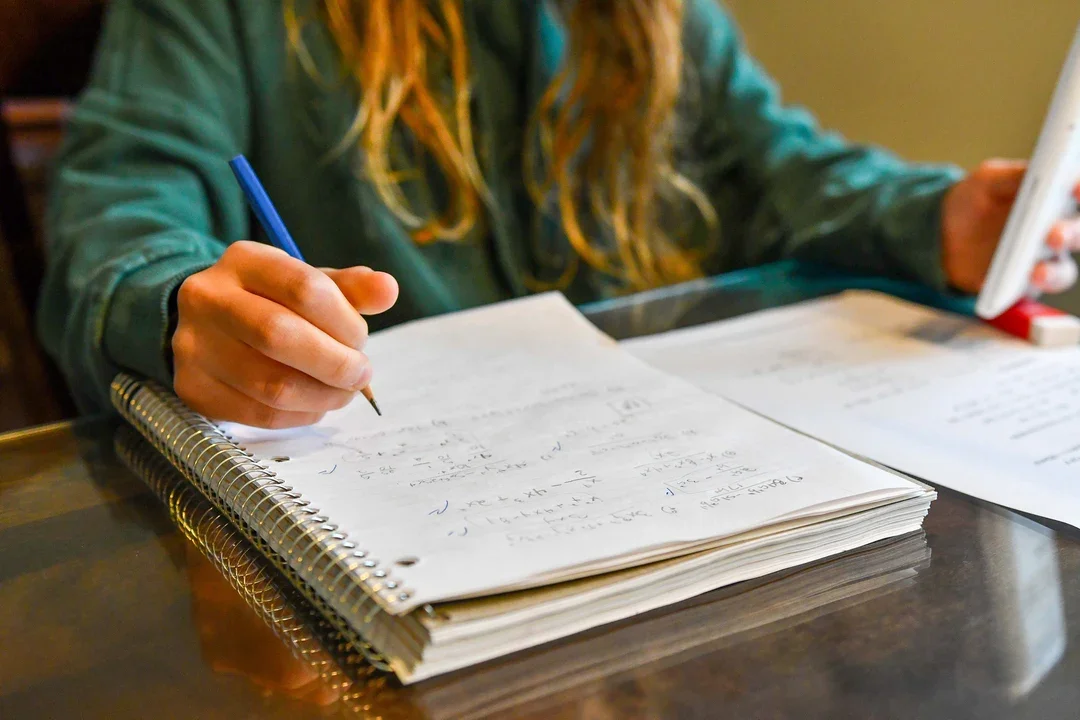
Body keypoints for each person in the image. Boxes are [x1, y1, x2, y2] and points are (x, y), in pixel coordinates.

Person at [38, 0, 1080, 427]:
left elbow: (779, 170)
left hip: (652, 474)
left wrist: (932, 218)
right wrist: (175, 303)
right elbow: (123, 203)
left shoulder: (653, 16)